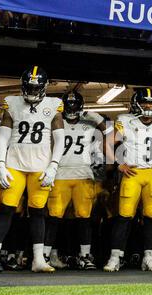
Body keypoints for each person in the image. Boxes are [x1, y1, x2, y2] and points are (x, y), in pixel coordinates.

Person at [0, 66, 65, 273]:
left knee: (38, 212)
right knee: (6, 210)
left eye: (37, 88)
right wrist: (0, 164)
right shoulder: (13, 102)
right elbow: (3, 136)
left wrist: (53, 166)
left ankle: (38, 260)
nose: (33, 92)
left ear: (44, 87)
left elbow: (60, 139)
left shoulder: (54, 105)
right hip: (14, 164)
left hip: (41, 166)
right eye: (29, 87)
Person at [103, 88, 152, 272]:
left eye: (151, 103)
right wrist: (118, 163)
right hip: (133, 173)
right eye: (145, 102)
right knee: (123, 217)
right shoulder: (126, 121)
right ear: (136, 103)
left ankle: (149, 256)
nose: (148, 106)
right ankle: (115, 257)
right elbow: (106, 143)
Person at [44, 91, 110, 270]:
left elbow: (114, 135)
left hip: (83, 175)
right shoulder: (55, 122)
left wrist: (97, 119)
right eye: (69, 104)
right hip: (60, 174)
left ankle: (84, 255)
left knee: (84, 218)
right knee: (53, 218)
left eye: (75, 104)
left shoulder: (90, 123)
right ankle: (45, 255)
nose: (72, 108)